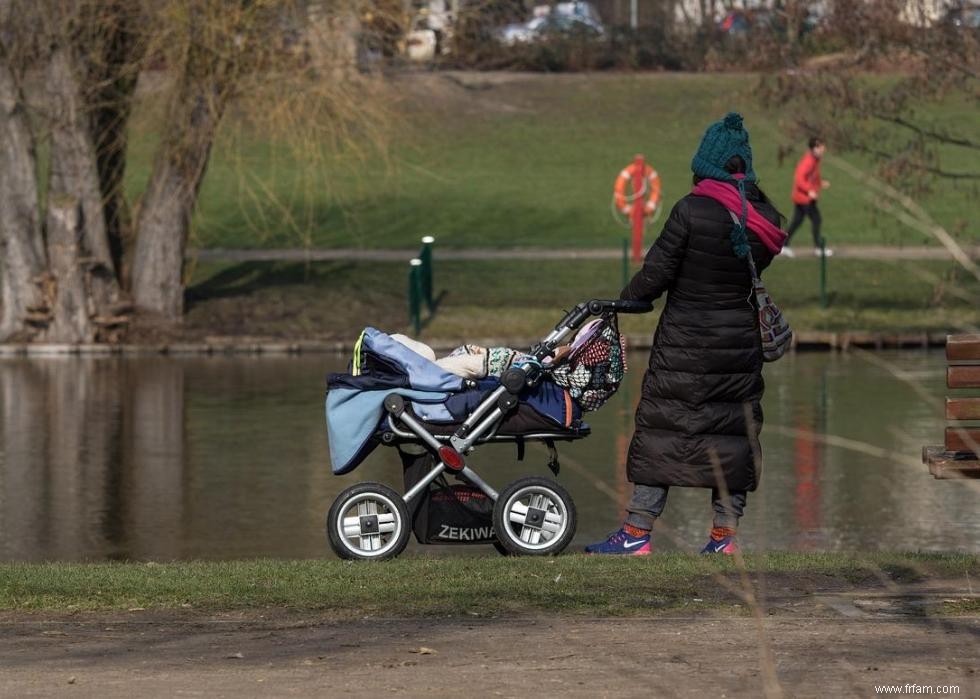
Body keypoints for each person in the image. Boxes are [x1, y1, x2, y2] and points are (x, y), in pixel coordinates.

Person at [585, 112, 787, 556]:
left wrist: (623, 301)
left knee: (663, 429)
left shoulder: (691, 209)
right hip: (739, 346)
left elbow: (656, 274)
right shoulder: (765, 219)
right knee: (734, 437)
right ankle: (723, 539)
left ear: (706, 164)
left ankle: (637, 533)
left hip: (685, 344)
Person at [784, 137, 831, 258]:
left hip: (803, 198)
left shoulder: (815, 160)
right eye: (819, 146)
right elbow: (799, 179)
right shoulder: (808, 161)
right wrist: (809, 190)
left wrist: (820, 183)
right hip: (804, 198)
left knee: (797, 222)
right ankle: (818, 248)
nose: (822, 148)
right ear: (813, 148)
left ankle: (784, 246)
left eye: (822, 146)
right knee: (817, 219)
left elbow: (814, 175)